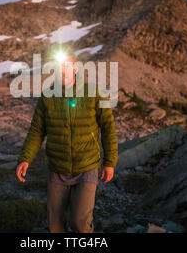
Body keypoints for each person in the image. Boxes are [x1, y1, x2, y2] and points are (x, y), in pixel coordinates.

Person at [16, 53, 118, 233]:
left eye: (67, 66)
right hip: (58, 169)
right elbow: (37, 131)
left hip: (87, 166)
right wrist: (25, 159)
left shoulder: (94, 93)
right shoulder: (47, 96)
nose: (63, 70)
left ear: (76, 68)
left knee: (79, 222)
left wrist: (110, 162)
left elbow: (108, 128)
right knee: (54, 225)